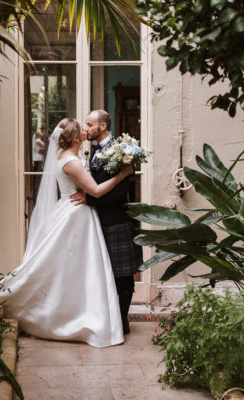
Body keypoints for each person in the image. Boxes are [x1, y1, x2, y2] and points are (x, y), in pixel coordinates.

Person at [0, 118, 133, 347]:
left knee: (71, 270)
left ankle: (74, 310)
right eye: (81, 129)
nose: (85, 130)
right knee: (71, 268)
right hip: (76, 214)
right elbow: (97, 191)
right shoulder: (72, 162)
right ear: (73, 139)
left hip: (71, 209)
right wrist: (122, 175)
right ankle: (67, 316)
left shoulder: (65, 156)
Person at [71, 109, 144, 335]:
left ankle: (122, 322)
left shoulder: (117, 151)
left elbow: (120, 193)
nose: (86, 128)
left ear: (103, 126)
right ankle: (110, 319)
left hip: (116, 220)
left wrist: (89, 198)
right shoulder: (93, 150)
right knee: (104, 274)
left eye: (90, 125)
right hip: (98, 220)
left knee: (122, 276)